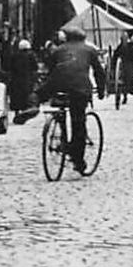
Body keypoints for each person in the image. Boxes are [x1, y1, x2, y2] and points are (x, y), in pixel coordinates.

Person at [38, 27, 107, 174]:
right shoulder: (89, 50)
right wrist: (101, 90)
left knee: (60, 107)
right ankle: (78, 160)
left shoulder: (58, 50)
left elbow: (49, 69)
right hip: (80, 90)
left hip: (58, 88)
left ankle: (61, 131)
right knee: (78, 123)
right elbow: (99, 72)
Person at [7, 39, 39, 121]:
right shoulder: (31, 56)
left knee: (16, 96)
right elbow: (35, 67)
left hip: (16, 79)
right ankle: (24, 111)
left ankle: (16, 112)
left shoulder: (14, 56)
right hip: (27, 79)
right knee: (26, 95)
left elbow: (10, 67)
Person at [111, 36, 133, 108]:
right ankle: (124, 94)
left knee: (128, 80)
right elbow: (115, 57)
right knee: (123, 81)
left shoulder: (130, 46)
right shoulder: (120, 47)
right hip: (123, 66)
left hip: (128, 65)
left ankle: (126, 93)